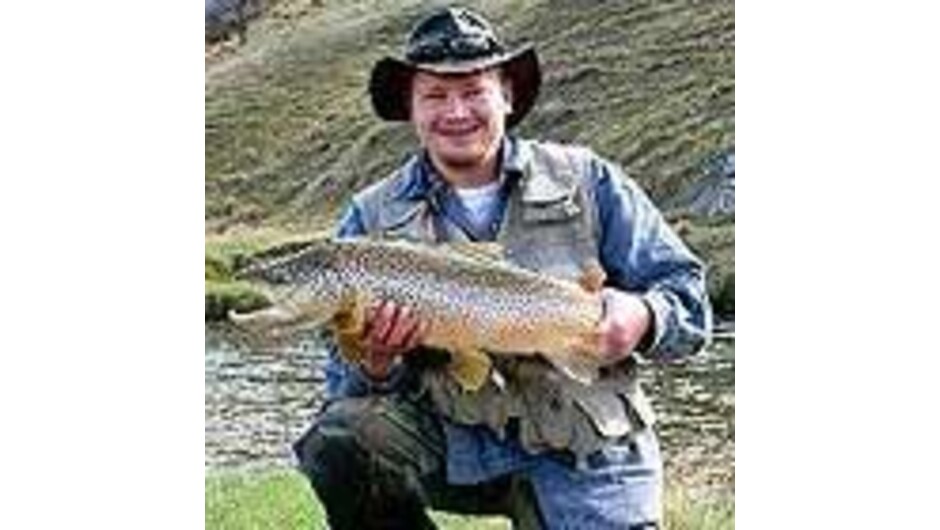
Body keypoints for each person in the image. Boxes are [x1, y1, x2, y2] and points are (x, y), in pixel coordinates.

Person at [292, 6, 711, 529]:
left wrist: (643, 317)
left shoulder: (590, 180)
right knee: (339, 441)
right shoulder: (369, 218)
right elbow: (342, 390)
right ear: (411, 107)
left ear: (507, 95)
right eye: (435, 95)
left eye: (473, 91)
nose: (456, 111)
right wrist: (378, 365)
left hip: (584, 450)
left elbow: (689, 297)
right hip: (452, 444)